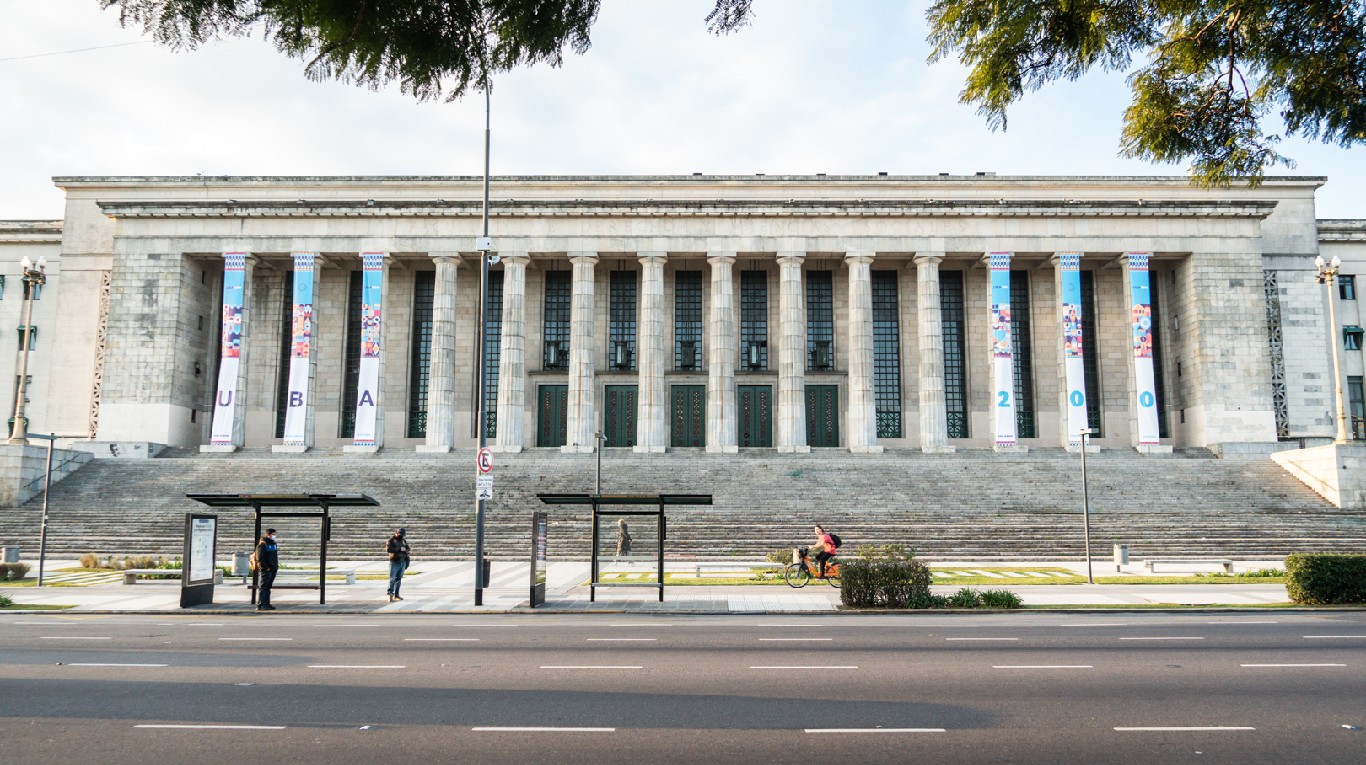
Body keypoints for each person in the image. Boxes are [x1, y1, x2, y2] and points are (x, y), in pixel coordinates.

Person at [254, 528, 279, 611]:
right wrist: (266, 567)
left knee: (268, 587)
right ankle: (261, 604)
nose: (274, 536)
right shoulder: (262, 544)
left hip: (273, 569)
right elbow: (259, 558)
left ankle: (266, 603)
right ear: (268, 534)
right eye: (273, 534)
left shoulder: (273, 543)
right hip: (266, 570)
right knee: (264, 587)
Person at [386, 527, 411, 602]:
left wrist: (407, 551)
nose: (401, 536)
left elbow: (408, 548)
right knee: (392, 579)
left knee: (399, 579)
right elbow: (388, 549)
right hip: (394, 562)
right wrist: (399, 549)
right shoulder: (391, 540)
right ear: (396, 533)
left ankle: (397, 595)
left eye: (402, 535)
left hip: (402, 561)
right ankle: (390, 595)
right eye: (400, 535)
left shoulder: (403, 540)